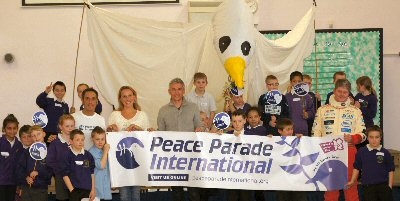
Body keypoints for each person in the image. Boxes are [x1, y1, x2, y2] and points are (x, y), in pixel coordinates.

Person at [312, 79, 366, 201]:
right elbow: (315, 132)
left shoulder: (356, 111)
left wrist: (353, 138)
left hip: (349, 151)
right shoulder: (322, 110)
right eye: (339, 91)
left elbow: (363, 134)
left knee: (351, 186)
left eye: (345, 92)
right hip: (328, 152)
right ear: (334, 91)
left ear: (349, 93)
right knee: (331, 188)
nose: (342, 94)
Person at [157, 78, 202, 201]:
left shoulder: (193, 107)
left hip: (191, 155)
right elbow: (160, 134)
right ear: (169, 91)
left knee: (194, 192)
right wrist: (152, 134)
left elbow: (200, 125)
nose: (177, 92)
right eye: (173, 89)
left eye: (179, 89)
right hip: (172, 157)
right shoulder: (163, 110)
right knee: (177, 192)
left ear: (184, 91)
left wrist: (200, 128)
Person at [107, 86, 150, 201]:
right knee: (124, 195)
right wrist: (111, 129)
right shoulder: (114, 115)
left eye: (130, 95)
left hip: (137, 160)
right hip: (120, 160)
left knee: (136, 194)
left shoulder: (142, 115)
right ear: (120, 99)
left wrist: (139, 130)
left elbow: (147, 138)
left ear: (135, 97)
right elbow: (108, 137)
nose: (127, 99)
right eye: (124, 96)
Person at [347, 126, 394, 201]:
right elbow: (356, 168)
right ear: (367, 138)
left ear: (380, 138)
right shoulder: (362, 152)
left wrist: (390, 186)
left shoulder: (385, 152)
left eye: (377, 137)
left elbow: (390, 170)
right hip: (368, 187)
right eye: (371, 137)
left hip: (383, 187)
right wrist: (352, 181)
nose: (374, 140)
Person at [17, 125, 52, 201]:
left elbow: (50, 172)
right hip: (26, 188)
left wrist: (39, 172)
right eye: (33, 136)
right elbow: (20, 169)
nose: (36, 137)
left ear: (44, 134)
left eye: (38, 134)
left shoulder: (50, 152)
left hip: (41, 189)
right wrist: (26, 177)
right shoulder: (27, 152)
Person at [275, 118, 307, 201]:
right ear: (280, 131)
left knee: (299, 197)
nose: (290, 131)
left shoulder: (297, 140)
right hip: (282, 179)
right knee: (283, 197)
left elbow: (306, 149)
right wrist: (268, 140)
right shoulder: (274, 142)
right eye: (287, 129)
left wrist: (303, 140)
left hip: (297, 178)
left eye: (291, 129)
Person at [225, 110, 254, 201]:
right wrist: (218, 137)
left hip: (246, 174)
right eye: (234, 121)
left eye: (240, 121)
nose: (237, 124)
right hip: (231, 173)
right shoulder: (226, 136)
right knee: (232, 197)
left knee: (246, 197)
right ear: (231, 122)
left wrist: (268, 139)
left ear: (245, 121)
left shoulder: (253, 135)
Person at [47, 114, 75, 201]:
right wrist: (61, 171)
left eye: (72, 126)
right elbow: (49, 161)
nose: (70, 128)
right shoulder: (55, 142)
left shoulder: (76, 141)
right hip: (61, 177)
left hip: (75, 177)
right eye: (67, 126)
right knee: (62, 198)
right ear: (60, 126)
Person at [62, 129, 95, 201]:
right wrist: (72, 191)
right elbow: (65, 175)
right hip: (74, 190)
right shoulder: (67, 155)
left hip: (87, 189)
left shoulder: (88, 155)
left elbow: (92, 173)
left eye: (82, 140)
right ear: (71, 141)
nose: (80, 142)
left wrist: (93, 190)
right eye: (77, 140)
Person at [0, 114, 23, 201]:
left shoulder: (19, 145)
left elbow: (20, 166)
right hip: (1, 182)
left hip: (13, 182)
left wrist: (19, 184)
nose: (12, 131)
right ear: (4, 129)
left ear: (17, 128)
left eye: (14, 128)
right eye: (9, 128)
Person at [285, 71, 314, 137]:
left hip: (303, 129)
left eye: (299, 81)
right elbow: (284, 114)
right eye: (294, 81)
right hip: (290, 131)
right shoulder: (287, 97)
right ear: (290, 82)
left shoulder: (307, 96)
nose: (297, 83)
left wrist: (307, 114)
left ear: (302, 82)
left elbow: (312, 112)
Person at [89, 126, 112, 201]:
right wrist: (105, 152)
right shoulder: (91, 153)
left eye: (102, 139)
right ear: (92, 139)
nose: (100, 142)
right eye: (97, 139)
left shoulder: (105, 150)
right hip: (97, 189)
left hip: (106, 188)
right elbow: (102, 166)